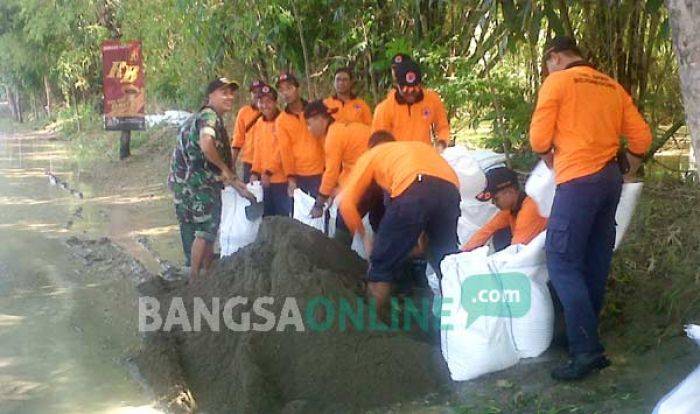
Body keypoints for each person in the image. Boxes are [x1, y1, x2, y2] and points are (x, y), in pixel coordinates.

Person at [529, 36, 652, 380]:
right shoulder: (611, 85)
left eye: (546, 64)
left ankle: (585, 351)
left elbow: (539, 140)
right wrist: (628, 166)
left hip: (577, 182)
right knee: (595, 260)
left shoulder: (557, 82)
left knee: (562, 261)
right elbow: (641, 137)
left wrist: (551, 161)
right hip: (609, 181)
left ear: (554, 58)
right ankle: (584, 335)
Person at [339, 132, 461, 317]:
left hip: (413, 186)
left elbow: (346, 203)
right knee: (446, 261)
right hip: (450, 189)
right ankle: (459, 322)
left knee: (380, 266)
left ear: (371, 147)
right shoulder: (412, 149)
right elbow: (429, 194)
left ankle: (368, 327)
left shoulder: (372, 155)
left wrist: (366, 238)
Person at [169, 77, 254, 279]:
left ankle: (205, 273)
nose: (229, 97)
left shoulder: (198, 117)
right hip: (200, 185)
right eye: (223, 92)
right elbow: (207, 144)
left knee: (203, 230)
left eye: (231, 92)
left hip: (187, 185)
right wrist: (225, 170)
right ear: (210, 96)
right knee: (206, 231)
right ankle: (196, 279)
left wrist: (236, 183)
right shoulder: (209, 117)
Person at [303, 100, 382, 243]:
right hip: (382, 176)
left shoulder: (333, 136)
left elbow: (331, 173)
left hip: (373, 178)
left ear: (319, 119)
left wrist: (319, 203)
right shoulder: (342, 129)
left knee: (344, 219)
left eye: (309, 124)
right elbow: (350, 166)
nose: (309, 129)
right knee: (379, 223)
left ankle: (342, 257)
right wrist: (337, 189)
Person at [462, 167, 547, 252]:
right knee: (500, 234)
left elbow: (516, 250)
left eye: (496, 198)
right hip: (532, 252)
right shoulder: (512, 208)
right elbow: (486, 230)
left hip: (542, 256)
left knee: (502, 237)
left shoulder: (530, 209)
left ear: (509, 192)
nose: (492, 203)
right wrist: (464, 251)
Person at [372, 59, 450, 150]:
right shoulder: (384, 108)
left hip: (423, 157)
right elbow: (377, 143)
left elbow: (443, 127)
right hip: (397, 160)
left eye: (414, 89)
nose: (410, 92)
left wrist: (441, 143)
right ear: (396, 85)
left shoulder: (432, 99)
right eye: (405, 89)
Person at [275, 72, 325, 197]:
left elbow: (325, 140)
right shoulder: (281, 120)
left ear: (297, 88)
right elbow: (285, 151)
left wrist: (330, 170)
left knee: (322, 212)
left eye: (289, 88)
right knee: (301, 214)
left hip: (320, 171)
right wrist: (291, 178)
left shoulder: (315, 110)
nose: (285, 93)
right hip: (299, 175)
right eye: (282, 90)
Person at [250, 85, 291, 217]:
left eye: (268, 101)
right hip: (264, 181)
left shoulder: (284, 120)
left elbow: (282, 150)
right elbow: (258, 150)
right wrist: (255, 172)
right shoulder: (259, 123)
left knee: (282, 218)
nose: (265, 105)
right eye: (261, 102)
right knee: (267, 217)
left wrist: (269, 171)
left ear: (275, 102)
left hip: (281, 180)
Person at [231, 80, 265, 182]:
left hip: (267, 163)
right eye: (254, 92)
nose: (257, 95)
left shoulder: (271, 111)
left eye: (260, 91)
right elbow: (237, 140)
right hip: (249, 163)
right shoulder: (243, 113)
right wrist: (231, 165)